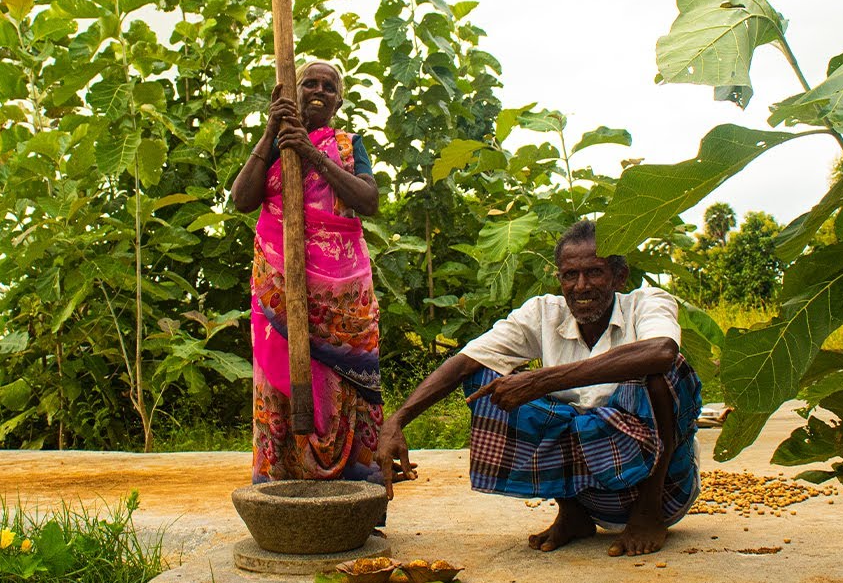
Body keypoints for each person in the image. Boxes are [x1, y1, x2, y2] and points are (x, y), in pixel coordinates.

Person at [374, 220, 701, 556]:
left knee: (663, 373)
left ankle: (647, 514)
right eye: (570, 275)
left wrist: (543, 380)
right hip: (586, 486)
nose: (581, 286)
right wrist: (397, 420)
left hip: (663, 488)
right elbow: (466, 362)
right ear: (559, 279)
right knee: (485, 376)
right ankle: (573, 513)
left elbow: (663, 351)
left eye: (594, 272)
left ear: (620, 277)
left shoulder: (647, 303)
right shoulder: (544, 313)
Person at [229, 60, 384, 484]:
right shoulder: (274, 145)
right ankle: (283, 487)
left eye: (328, 87)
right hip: (281, 288)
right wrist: (271, 132)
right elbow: (242, 200)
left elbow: (368, 201)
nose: (318, 91)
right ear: (293, 93)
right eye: (309, 83)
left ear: (339, 101)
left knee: (346, 387)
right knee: (279, 386)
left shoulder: (349, 146)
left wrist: (312, 153)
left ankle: (353, 491)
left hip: (342, 298)